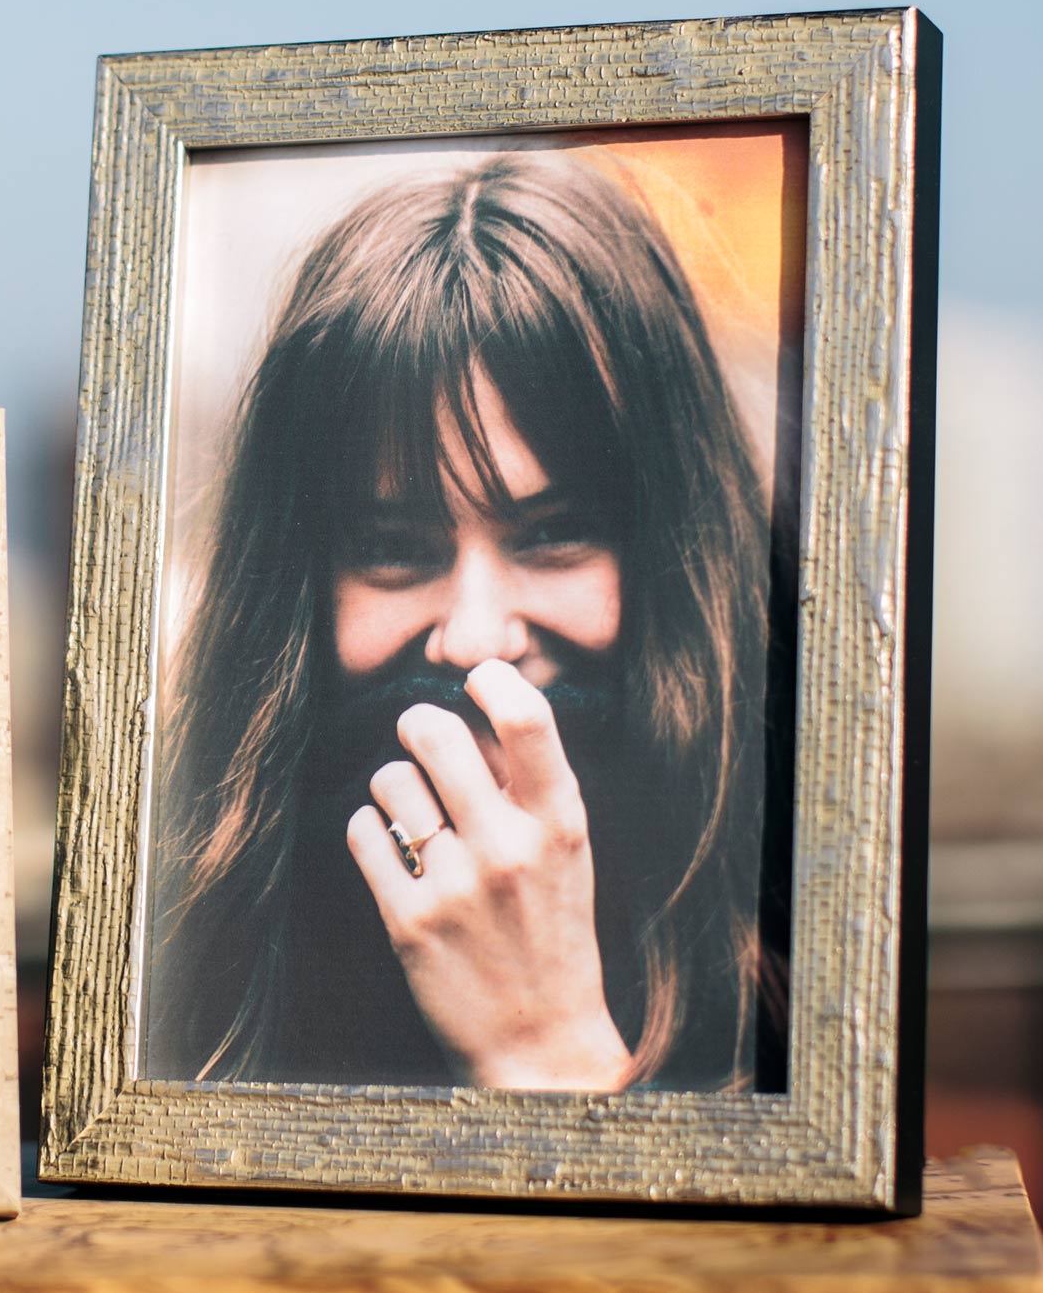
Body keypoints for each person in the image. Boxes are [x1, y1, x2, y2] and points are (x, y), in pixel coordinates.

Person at [147, 151, 793, 1093]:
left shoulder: (811, 905)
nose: (479, 638)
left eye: (558, 537)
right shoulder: (167, 938)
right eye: (396, 550)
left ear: (676, 551)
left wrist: (545, 1047)